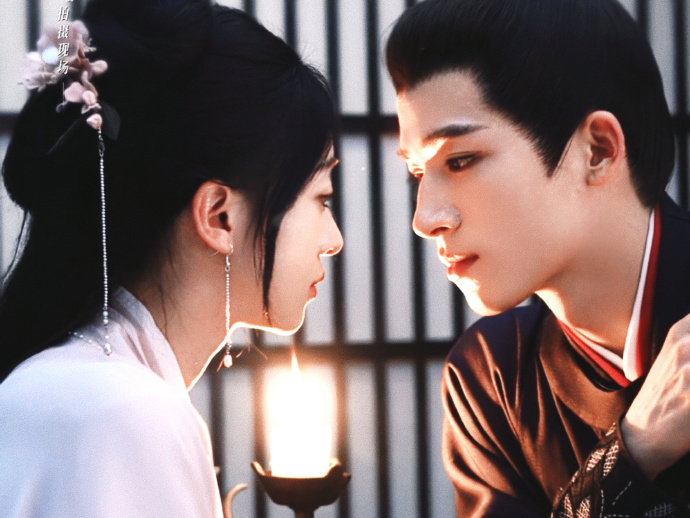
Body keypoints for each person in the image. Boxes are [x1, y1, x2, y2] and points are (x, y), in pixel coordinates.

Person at [0, 0, 343, 516]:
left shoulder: (78, 389)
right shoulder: (122, 413)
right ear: (219, 215)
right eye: (321, 198)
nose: (333, 239)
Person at [386, 0, 690, 515]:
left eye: (460, 160)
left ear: (597, 150)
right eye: (418, 172)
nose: (424, 218)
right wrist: (636, 452)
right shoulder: (492, 374)